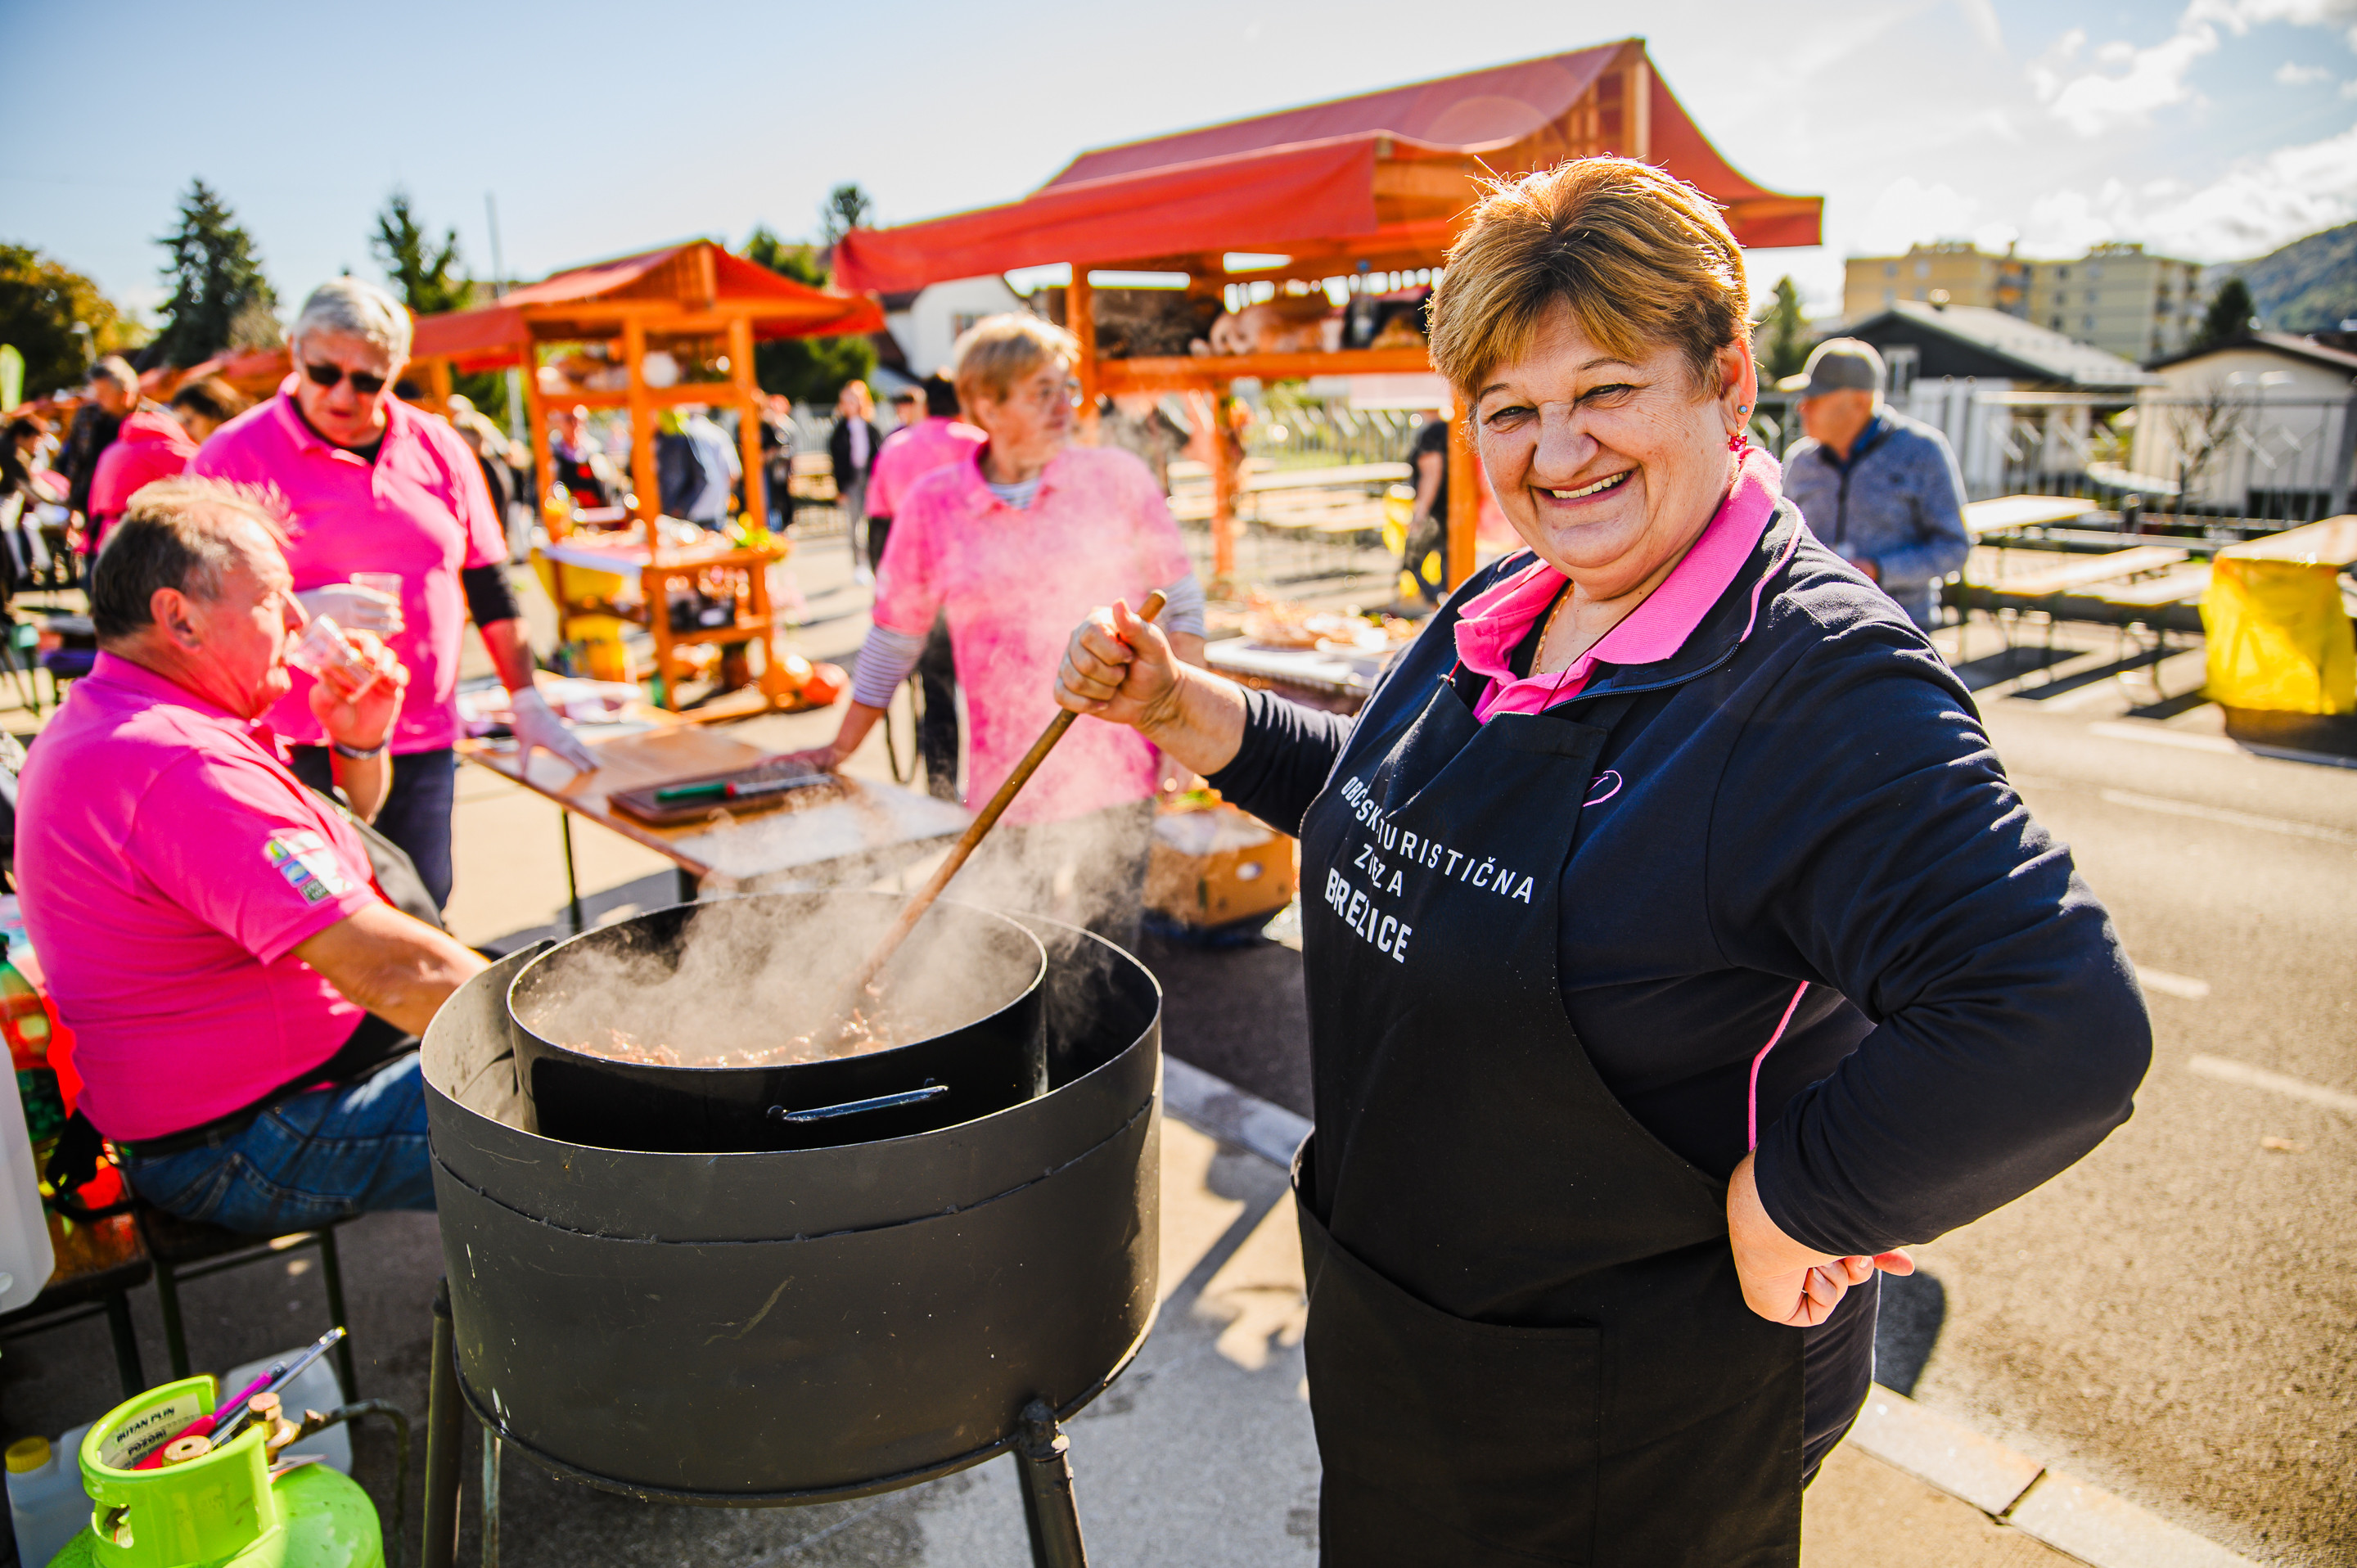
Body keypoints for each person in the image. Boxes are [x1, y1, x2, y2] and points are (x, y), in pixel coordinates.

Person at [1052, 158, 2150, 1564]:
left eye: (1607, 390)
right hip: (1417, 1342)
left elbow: (2058, 1018)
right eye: (1510, 410)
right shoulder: (1518, 597)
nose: (1554, 453)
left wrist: (1801, 1188)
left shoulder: (1818, 681)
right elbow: (1401, 825)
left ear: (1729, 381)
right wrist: (1180, 708)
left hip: (1627, 1420)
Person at [14, 480, 486, 1232]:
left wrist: (358, 741)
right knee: (573, 1110)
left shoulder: (135, 719)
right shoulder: (173, 761)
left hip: (242, 1112)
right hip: (247, 1141)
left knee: (525, 1015)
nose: (300, 619)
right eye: (274, 597)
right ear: (180, 618)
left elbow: (323, 854)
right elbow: (390, 970)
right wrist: (583, 1040)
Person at [791, 316, 1210, 944]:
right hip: (1008, 782)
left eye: (1067, 388)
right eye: (1042, 391)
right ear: (987, 401)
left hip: (1121, 768)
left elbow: (1182, 607)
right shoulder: (935, 503)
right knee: (1015, 957)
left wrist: (1183, 738)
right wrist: (839, 748)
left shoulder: (1117, 479)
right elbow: (893, 639)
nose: (1064, 405)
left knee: (1109, 961)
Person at [190, 277, 597, 911]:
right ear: (293, 350)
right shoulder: (233, 454)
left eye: (367, 379)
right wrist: (298, 612)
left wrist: (526, 697)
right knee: (317, 922)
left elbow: (487, 580)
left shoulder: (439, 447)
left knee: (422, 905)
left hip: (421, 732)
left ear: (395, 371)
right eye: (323, 371)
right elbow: (192, 597)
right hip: (291, 738)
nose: (342, 394)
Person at [1778, 338, 1971, 632]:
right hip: (1815, 627)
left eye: (1815, 398)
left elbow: (1953, 547)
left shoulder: (1921, 452)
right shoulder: (1800, 460)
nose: (1802, 407)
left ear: (1860, 402)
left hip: (1899, 626)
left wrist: (1879, 570)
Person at [865, 374, 985, 800]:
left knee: (935, 694)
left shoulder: (896, 447)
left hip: (918, 594)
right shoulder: (977, 442)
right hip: (977, 591)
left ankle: (941, 790)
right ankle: (995, 790)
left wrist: (887, 596)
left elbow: (877, 528)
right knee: (991, 696)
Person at [87, 375, 202, 556]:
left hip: (101, 537)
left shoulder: (114, 449)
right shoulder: (171, 448)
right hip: (138, 541)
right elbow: (207, 481)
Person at [827, 381, 880, 581]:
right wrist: (840, 488)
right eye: (846, 401)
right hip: (850, 481)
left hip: (870, 479)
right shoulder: (840, 431)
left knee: (872, 523)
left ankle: (871, 560)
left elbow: (878, 455)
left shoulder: (870, 428)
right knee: (854, 525)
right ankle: (859, 564)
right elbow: (836, 461)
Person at [1399, 411, 1452, 607]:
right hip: (1453, 512)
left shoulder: (1433, 433)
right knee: (1448, 569)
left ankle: (1438, 604)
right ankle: (1445, 606)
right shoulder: (1450, 428)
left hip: (1435, 513)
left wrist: (1419, 517)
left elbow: (1431, 475)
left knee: (1412, 562)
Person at [549, 405, 615, 508]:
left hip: (597, 514)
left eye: (579, 420)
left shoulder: (595, 450)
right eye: (569, 419)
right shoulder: (553, 454)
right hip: (568, 516)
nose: (575, 425)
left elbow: (610, 487)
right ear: (559, 423)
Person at [166, 376, 250, 446]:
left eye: (189, 421)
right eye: (182, 425)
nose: (186, 431)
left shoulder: (249, 440)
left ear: (214, 412)